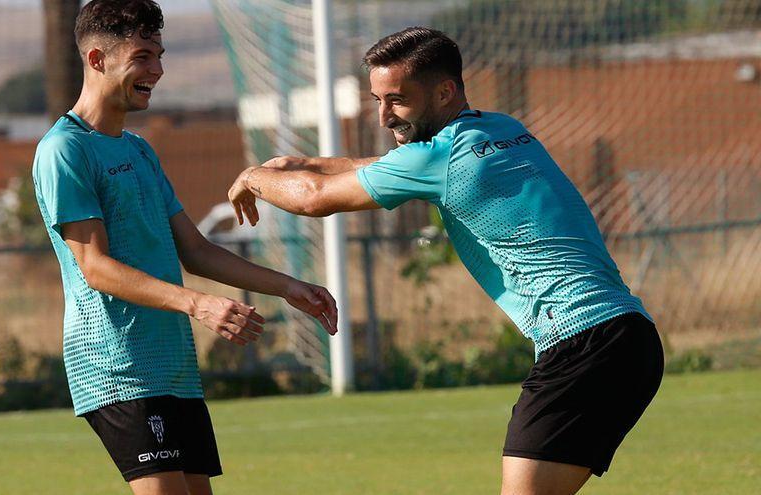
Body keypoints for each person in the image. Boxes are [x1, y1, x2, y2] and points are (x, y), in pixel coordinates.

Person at [228, 26, 663, 495]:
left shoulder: (440, 158)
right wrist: (300, 163)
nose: (382, 116)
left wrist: (254, 177)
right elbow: (387, 165)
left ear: (444, 91)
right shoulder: (502, 128)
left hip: (582, 344)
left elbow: (315, 200)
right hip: (628, 337)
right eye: (376, 100)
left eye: (395, 100)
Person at [32, 2, 338, 494]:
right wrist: (198, 303)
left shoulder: (139, 150)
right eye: (143, 56)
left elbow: (194, 249)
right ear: (96, 59)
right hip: (117, 365)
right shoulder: (64, 149)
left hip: (172, 367)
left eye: (160, 56)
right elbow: (95, 266)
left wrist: (287, 287)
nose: (157, 70)